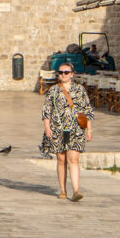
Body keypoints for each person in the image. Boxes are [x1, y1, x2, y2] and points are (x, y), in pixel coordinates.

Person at [41, 63, 93, 201]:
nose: (63, 75)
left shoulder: (80, 90)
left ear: (72, 74)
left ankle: (76, 190)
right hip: (58, 128)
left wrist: (89, 129)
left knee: (74, 159)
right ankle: (63, 190)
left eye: (66, 72)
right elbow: (47, 111)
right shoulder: (53, 91)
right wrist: (47, 127)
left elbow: (87, 110)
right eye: (61, 72)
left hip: (76, 129)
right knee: (61, 159)